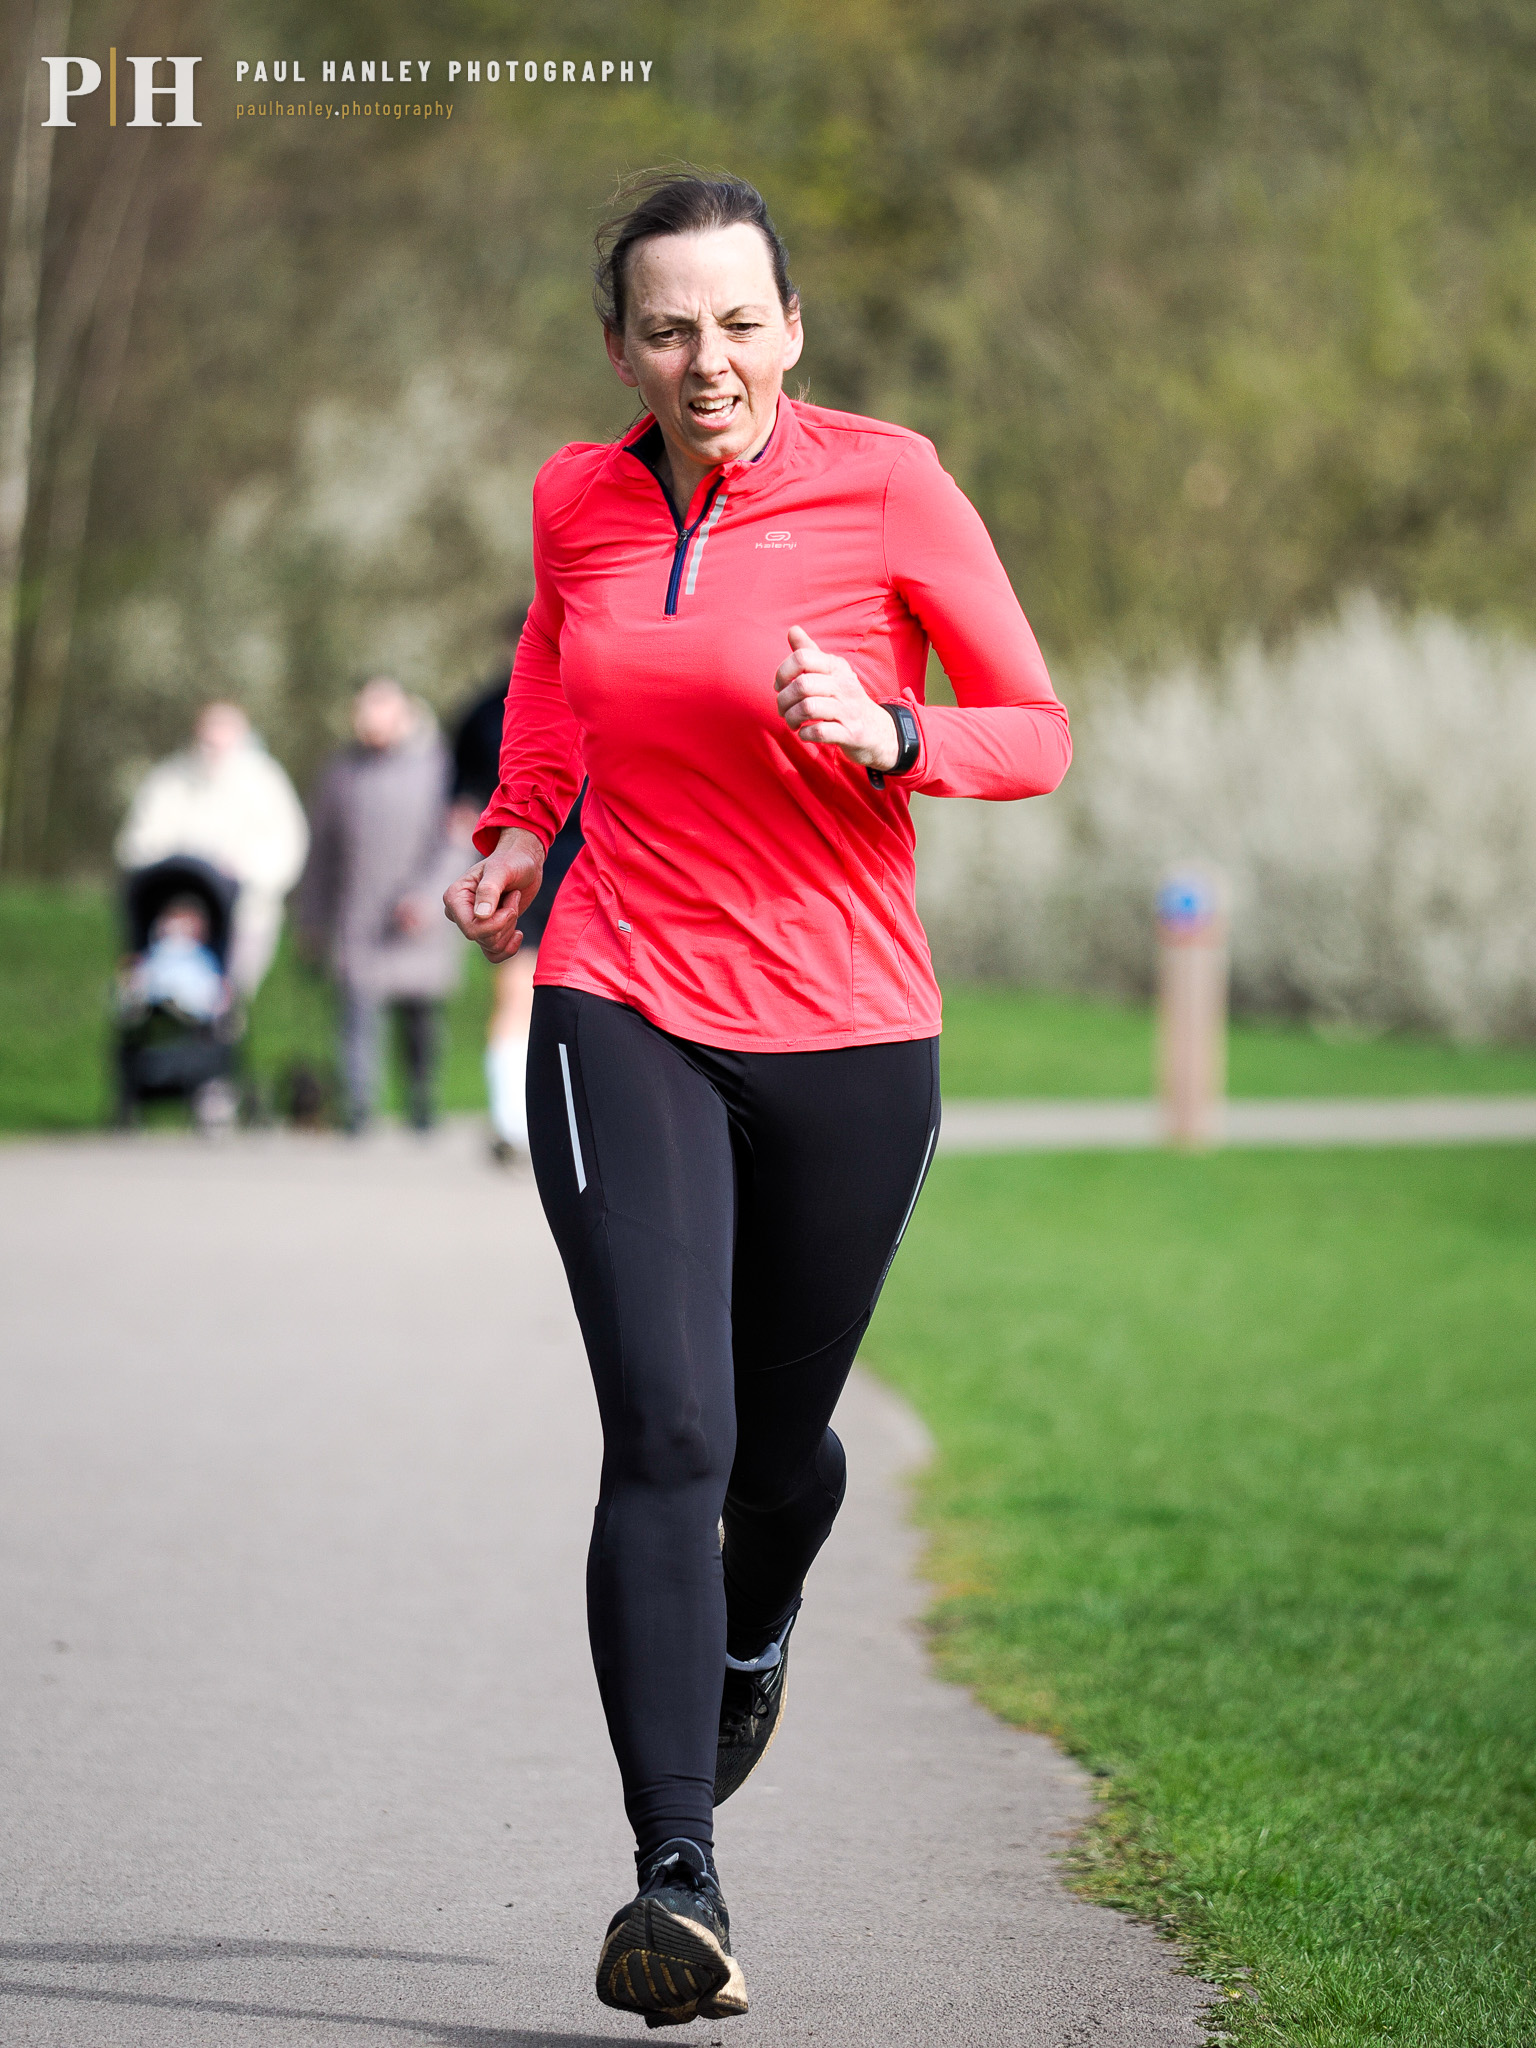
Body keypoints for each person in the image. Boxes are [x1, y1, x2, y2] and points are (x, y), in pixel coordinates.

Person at [444, 171, 1071, 2027]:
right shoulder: (577, 497)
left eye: (735, 323)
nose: (702, 360)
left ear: (788, 327)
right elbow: (558, 682)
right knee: (668, 1429)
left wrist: (893, 732)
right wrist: (516, 825)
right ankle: (674, 1873)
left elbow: (1030, 725)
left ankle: (754, 1614)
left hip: (851, 1025)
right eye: (664, 328)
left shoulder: (890, 479)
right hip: (620, 986)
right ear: (619, 345)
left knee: (775, 1456)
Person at [449, 609, 586, 1160]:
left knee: (592, 1002)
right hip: (524, 856)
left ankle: (583, 1122)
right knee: (515, 991)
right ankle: (511, 1122)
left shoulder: (602, 691)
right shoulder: (483, 712)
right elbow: (457, 795)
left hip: (597, 859)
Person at [299, 679, 462, 1133]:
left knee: (419, 1017)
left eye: (376, 708)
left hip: (419, 914)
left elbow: (456, 841)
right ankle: (358, 1104)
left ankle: (421, 1098)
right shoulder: (341, 772)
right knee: (355, 1012)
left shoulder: (440, 767)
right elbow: (322, 853)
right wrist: (311, 920)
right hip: (359, 914)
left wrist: (428, 899)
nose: (365, 720)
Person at [114, 701, 309, 998]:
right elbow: (138, 843)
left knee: (227, 1001)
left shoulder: (266, 782)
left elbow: (287, 847)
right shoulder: (168, 780)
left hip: (244, 918)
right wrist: (176, 871)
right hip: (173, 920)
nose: (216, 745)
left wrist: (244, 871)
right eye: (209, 736)